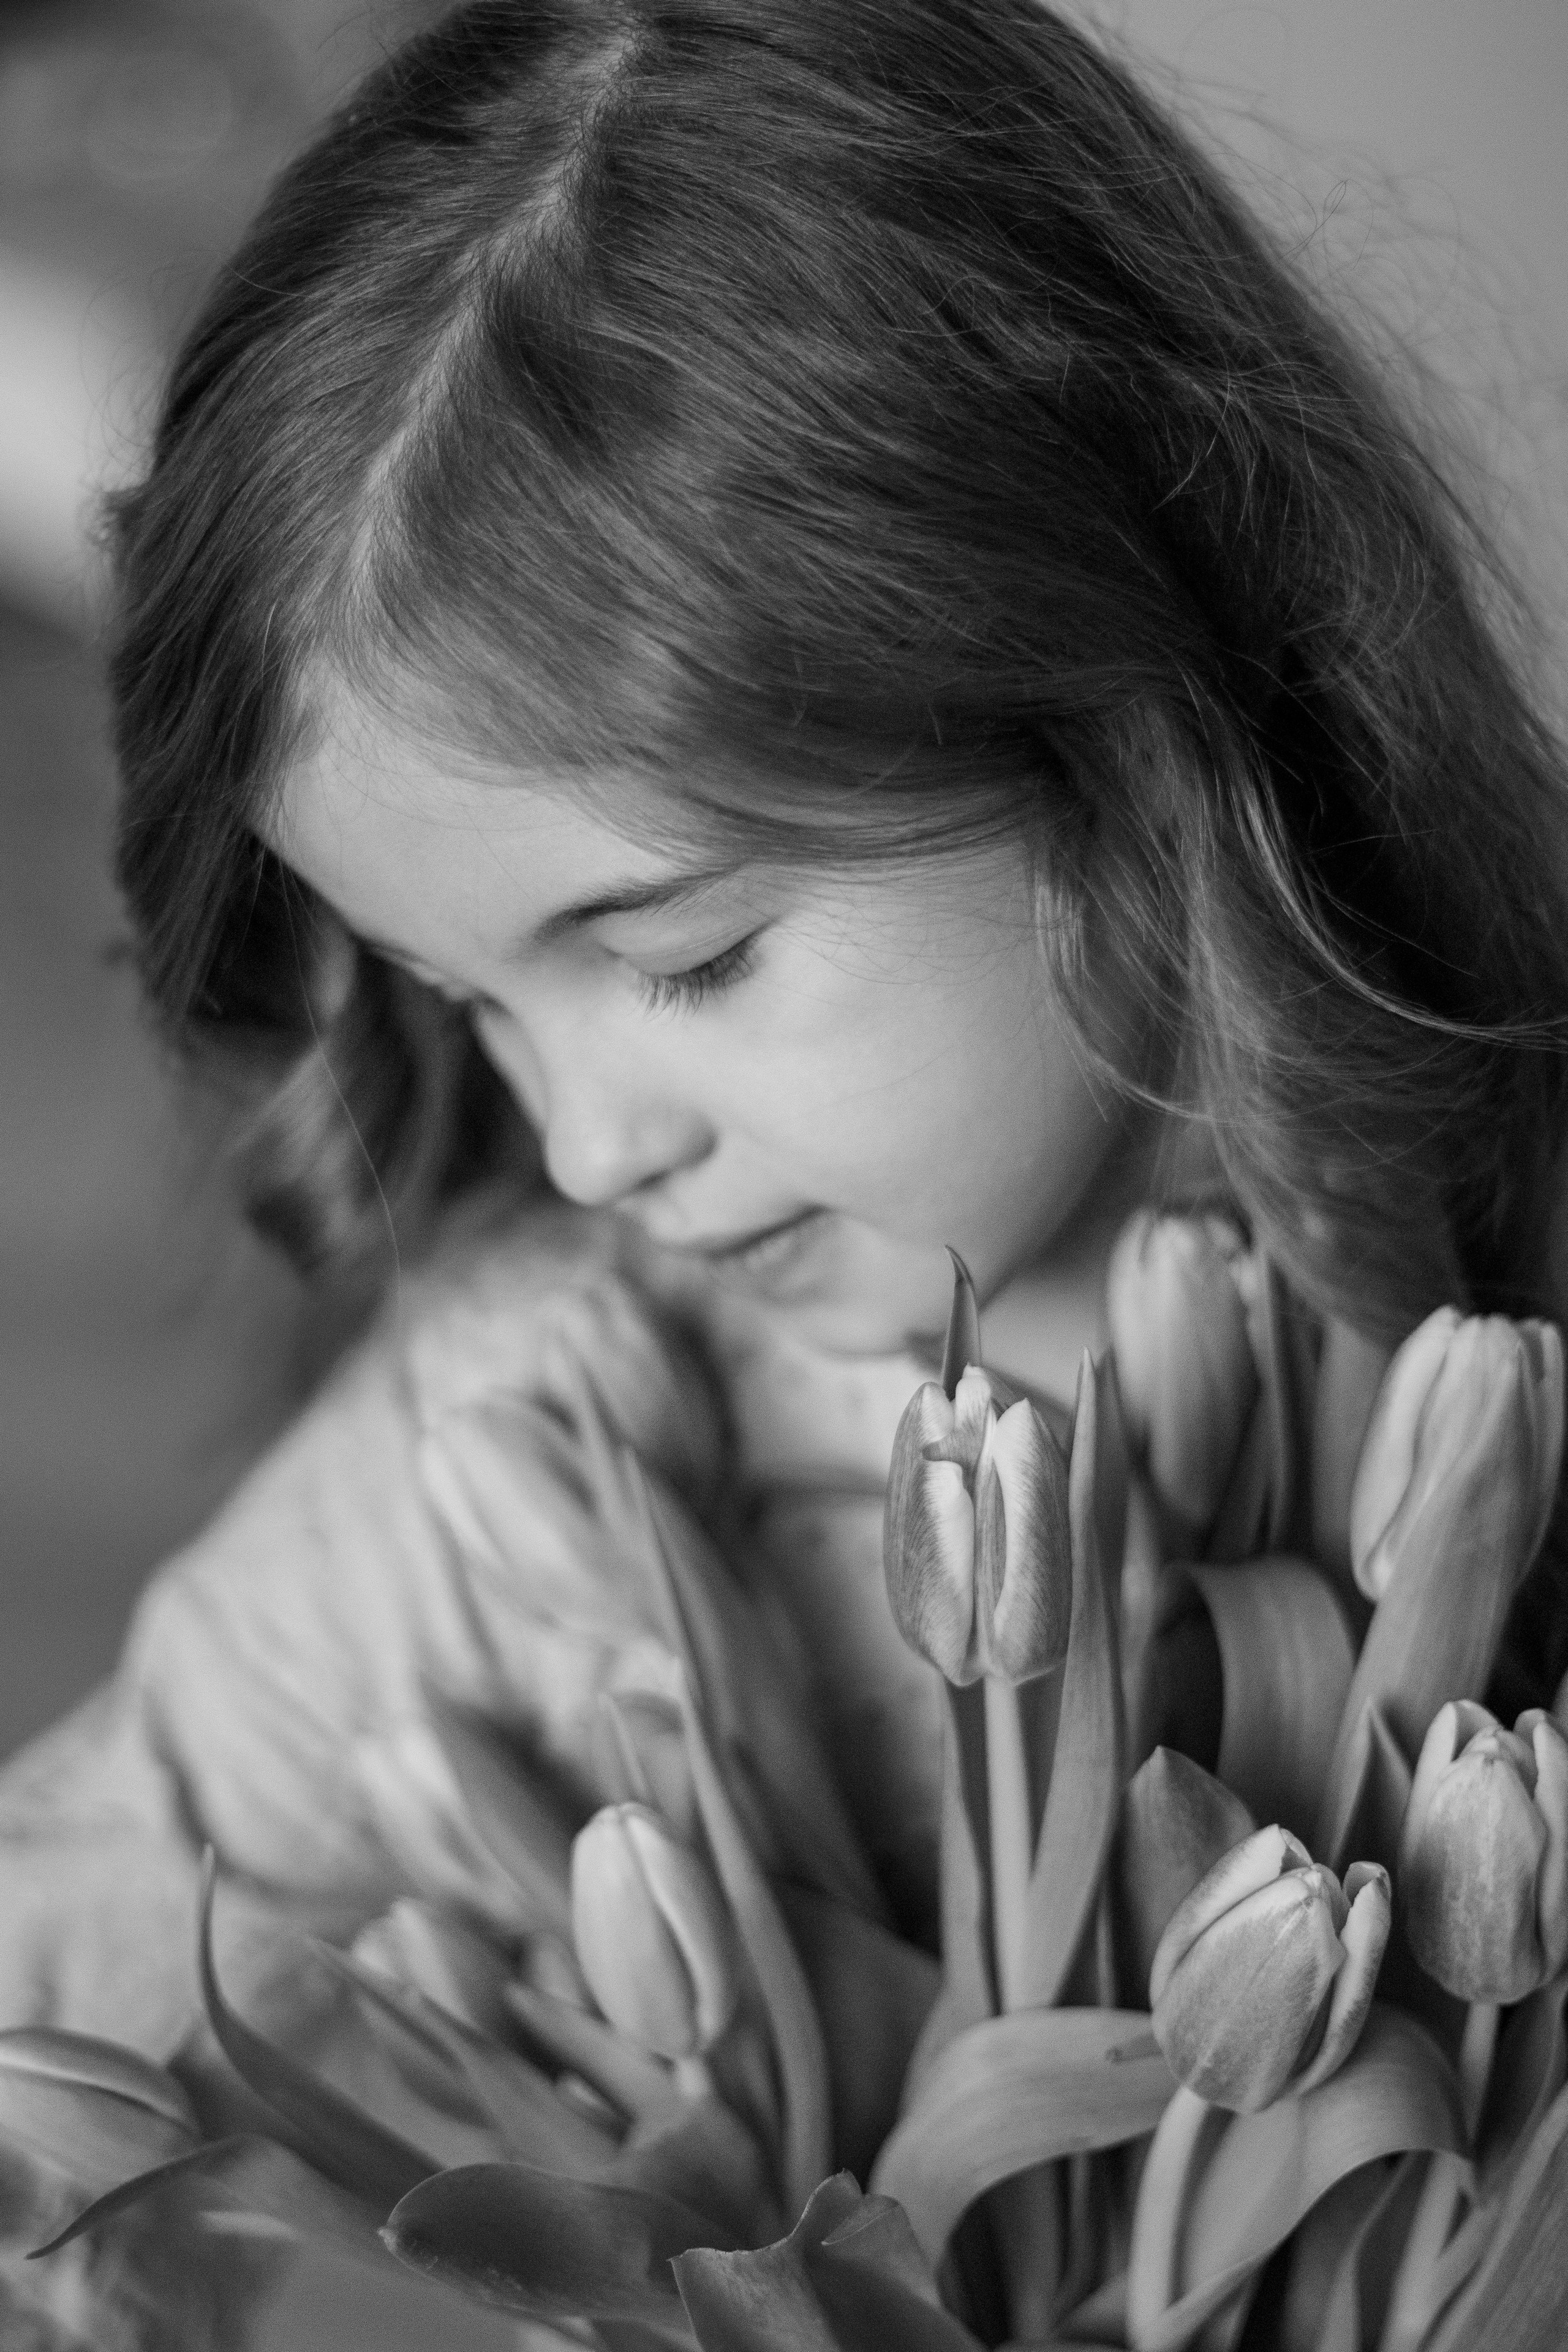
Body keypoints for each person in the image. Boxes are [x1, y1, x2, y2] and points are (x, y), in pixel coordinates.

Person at [2, 0, 1567, 2327]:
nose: (582, 1137)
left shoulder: (1496, 1341)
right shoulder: (506, 1462)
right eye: (457, 1002)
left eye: (694, 956)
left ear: (1131, 732)